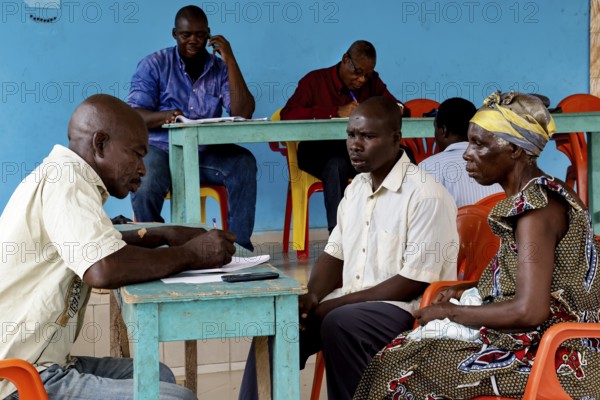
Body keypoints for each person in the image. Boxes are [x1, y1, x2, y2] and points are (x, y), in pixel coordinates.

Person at [354, 92, 600, 399]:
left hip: (556, 352)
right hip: (537, 334)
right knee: (399, 357)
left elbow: (531, 310)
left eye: (480, 144)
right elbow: (534, 277)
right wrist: (466, 287)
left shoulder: (536, 211)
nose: (467, 154)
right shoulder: (540, 193)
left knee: (403, 370)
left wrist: (450, 312)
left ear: (513, 149)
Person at [0, 94, 238, 400]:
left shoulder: (62, 175)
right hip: (20, 380)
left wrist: (162, 234)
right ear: (100, 145)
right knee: (176, 399)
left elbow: (90, 243)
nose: (143, 169)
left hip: (41, 362)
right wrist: (192, 254)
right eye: (137, 154)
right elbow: (102, 268)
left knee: (159, 374)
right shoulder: (67, 183)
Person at [240, 97, 458, 400]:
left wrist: (334, 306)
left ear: (396, 139)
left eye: (367, 136)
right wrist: (313, 297)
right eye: (352, 135)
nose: (355, 144)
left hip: (405, 310)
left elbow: (414, 281)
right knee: (281, 320)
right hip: (350, 304)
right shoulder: (356, 189)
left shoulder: (425, 195)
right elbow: (334, 253)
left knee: (339, 324)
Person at [127, 5, 257, 250]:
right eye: (186, 34)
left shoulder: (219, 70)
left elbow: (243, 112)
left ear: (209, 35)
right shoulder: (154, 65)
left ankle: (238, 249)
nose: (193, 40)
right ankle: (153, 247)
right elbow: (133, 115)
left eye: (199, 34)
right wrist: (166, 115)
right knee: (146, 177)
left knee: (243, 162)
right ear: (175, 34)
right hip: (161, 150)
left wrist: (230, 60)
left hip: (203, 154)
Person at [280, 40, 411, 233]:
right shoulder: (315, 81)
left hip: (357, 151)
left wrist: (397, 108)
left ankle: (401, 227)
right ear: (345, 60)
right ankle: (338, 238)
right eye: (357, 72)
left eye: (367, 75)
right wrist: (334, 111)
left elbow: (397, 107)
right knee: (335, 165)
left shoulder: (372, 83)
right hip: (317, 151)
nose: (361, 80)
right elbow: (287, 115)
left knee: (402, 155)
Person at [418, 97, 502, 207]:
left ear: (444, 130)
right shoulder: (500, 163)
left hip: (461, 224)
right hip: (500, 223)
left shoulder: (428, 167)